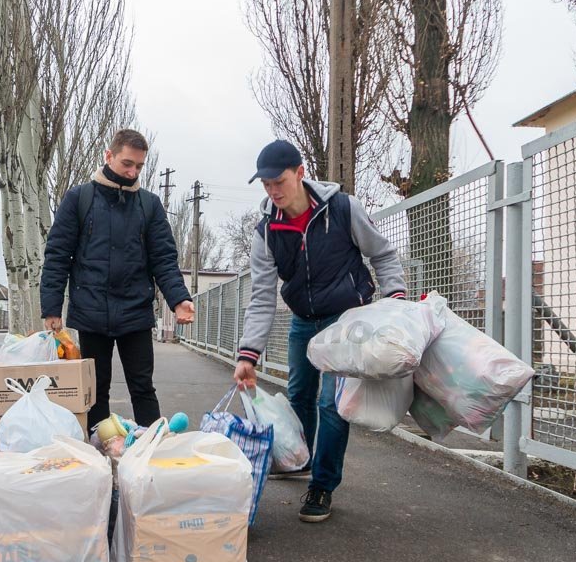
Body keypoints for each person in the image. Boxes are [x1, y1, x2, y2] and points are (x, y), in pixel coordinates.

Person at [233, 139, 406, 524]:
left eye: (279, 181)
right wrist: (248, 354)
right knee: (299, 396)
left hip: (347, 322)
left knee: (332, 402)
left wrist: (394, 295)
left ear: (300, 173)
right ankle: (299, 460)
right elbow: (262, 297)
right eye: (266, 185)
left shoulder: (343, 209)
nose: (274, 191)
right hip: (303, 322)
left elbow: (382, 253)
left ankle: (323, 485)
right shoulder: (267, 232)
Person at [41, 129, 195, 427]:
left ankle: (150, 452)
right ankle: (102, 454)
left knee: (143, 387)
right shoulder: (79, 199)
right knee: (96, 391)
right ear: (108, 156)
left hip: (135, 313)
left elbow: (164, 259)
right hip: (90, 311)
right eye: (127, 163)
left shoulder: (149, 205)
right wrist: (51, 307)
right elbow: (58, 255)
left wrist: (178, 299)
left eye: (138, 166)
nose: (132, 171)